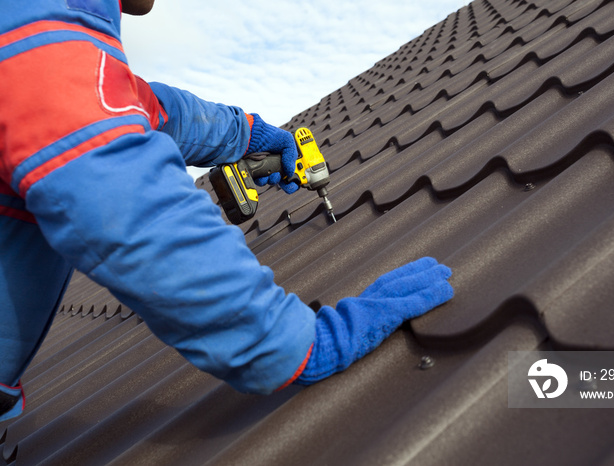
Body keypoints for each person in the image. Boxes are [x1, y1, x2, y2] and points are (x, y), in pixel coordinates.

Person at [0, 0, 454, 422]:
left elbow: (145, 108)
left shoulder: (37, 25)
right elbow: (129, 206)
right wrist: (292, 345)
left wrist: (249, 135)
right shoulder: (41, 47)